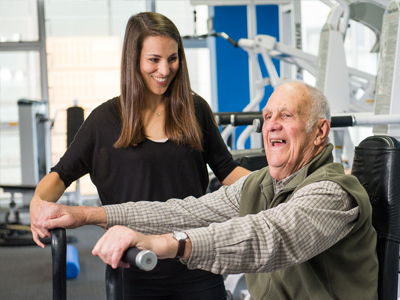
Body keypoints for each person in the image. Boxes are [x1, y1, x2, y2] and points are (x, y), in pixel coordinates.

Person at [35, 80, 379, 299]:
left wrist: (165, 244)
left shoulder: (333, 193)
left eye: (286, 115)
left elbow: (265, 236)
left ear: (320, 132)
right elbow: (185, 211)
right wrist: (85, 215)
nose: (271, 124)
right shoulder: (261, 185)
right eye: (268, 115)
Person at [30, 12, 250, 300]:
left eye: (173, 58)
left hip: (196, 259)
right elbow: (61, 175)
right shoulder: (104, 121)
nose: (165, 69)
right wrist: (37, 203)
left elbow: (228, 170)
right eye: (154, 59)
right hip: (135, 266)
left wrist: (278, 186)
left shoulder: (195, 110)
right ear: (134, 60)